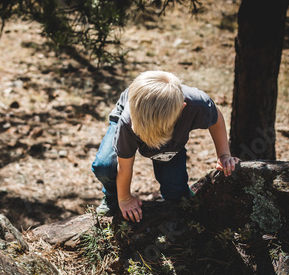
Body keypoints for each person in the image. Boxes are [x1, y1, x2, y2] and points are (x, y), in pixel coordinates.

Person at [91, 70, 239, 222]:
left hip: (172, 139)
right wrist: (124, 198)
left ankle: (179, 203)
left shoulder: (198, 104)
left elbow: (216, 118)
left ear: (182, 108)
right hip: (132, 124)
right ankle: (111, 196)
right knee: (105, 166)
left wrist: (223, 155)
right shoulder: (127, 121)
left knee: (175, 190)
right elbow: (124, 166)